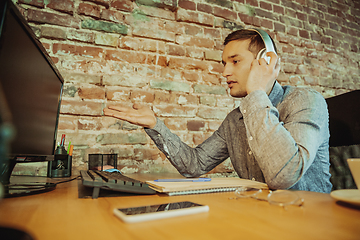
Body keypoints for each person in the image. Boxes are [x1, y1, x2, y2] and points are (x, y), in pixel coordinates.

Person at [103, 29, 332, 193]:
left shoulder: (306, 101)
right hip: (261, 220)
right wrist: (155, 124)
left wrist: (256, 93)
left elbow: (284, 175)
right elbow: (195, 164)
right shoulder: (235, 120)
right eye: (224, 63)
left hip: (308, 221)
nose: (225, 72)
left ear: (266, 62)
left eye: (235, 61)